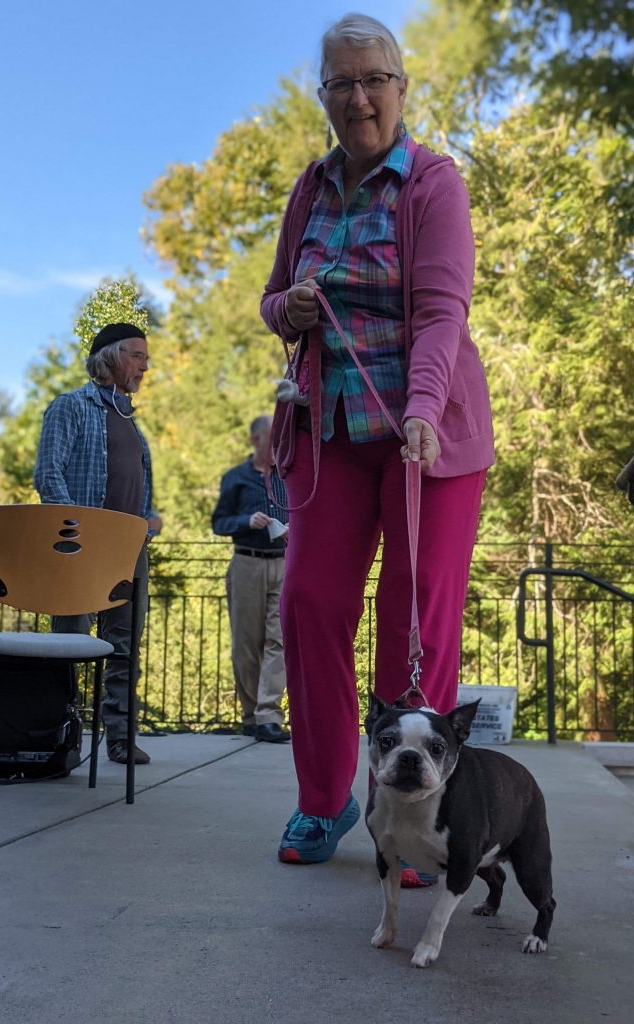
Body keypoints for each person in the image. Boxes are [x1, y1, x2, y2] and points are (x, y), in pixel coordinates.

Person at [260, 14, 494, 877]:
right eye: (341, 83)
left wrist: (424, 410)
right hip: (330, 439)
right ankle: (323, 800)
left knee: (413, 626)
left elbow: (441, 314)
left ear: (401, 88)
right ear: (323, 95)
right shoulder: (310, 189)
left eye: (374, 80)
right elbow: (275, 294)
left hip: (427, 442)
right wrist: (286, 309)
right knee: (310, 605)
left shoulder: (432, 184)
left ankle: (415, 822)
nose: (358, 97)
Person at [34, 322, 162, 765]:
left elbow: (133, 486)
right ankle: (54, 735)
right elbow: (48, 476)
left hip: (130, 550)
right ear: (109, 358)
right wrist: (77, 534)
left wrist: (148, 519)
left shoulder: (130, 420)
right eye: (138, 355)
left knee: (125, 648)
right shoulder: (71, 407)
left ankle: (120, 739)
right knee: (68, 646)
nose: (146, 365)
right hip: (81, 547)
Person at [211, 416, 291, 743]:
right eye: (271, 438)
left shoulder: (289, 475)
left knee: (279, 639)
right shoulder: (236, 478)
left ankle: (269, 715)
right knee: (246, 644)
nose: (276, 445)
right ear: (255, 440)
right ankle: (251, 714)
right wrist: (246, 521)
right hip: (246, 563)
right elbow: (219, 522)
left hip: (284, 564)